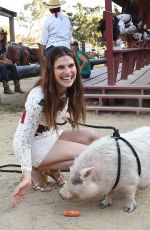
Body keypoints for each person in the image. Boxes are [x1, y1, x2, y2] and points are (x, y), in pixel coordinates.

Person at [11, 46, 99, 208]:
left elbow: (51, 115)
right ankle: (39, 168)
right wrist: (26, 174)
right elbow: (23, 140)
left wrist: (63, 115)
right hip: (32, 144)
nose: (68, 71)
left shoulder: (69, 88)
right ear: (51, 70)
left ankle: (51, 168)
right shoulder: (38, 98)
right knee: (86, 155)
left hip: (50, 134)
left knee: (93, 136)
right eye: (60, 67)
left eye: (71, 65)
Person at [0, 28, 24, 94]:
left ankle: (17, 87)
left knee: (13, 66)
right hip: (1, 65)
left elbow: (4, 57)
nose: (1, 35)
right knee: (2, 66)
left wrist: (8, 61)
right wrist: (3, 62)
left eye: (2, 34)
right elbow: (2, 61)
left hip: (1, 63)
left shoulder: (4, 46)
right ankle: (6, 88)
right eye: (0, 34)